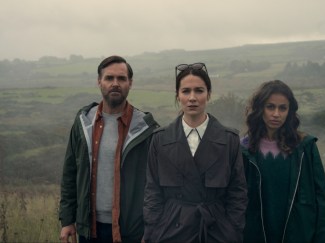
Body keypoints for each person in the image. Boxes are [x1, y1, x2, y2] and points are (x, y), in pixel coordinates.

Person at [143, 62, 248, 243]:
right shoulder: (160, 139)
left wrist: (232, 229)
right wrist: (153, 230)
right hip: (171, 231)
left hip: (216, 231)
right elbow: (152, 190)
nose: (192, 98)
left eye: (199, 90)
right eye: (186, 91)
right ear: (178, 95)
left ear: (209, 94)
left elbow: (237, 191)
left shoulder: (229, 139)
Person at [59, 55, 159, 243]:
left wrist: (151, 228)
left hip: (131, 231)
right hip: (89, 229)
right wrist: (67, 220)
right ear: (99, 82)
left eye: (121, 78)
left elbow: (155, 185)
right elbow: (70, 173)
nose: (115, 83)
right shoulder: (83, 122)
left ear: (130, 83)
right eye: (109, 78)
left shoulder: (146, 128)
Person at [241, 80, 325, 243]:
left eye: (282, 108)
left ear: (289, 111)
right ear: (260, 109)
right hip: (256, 235)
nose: (276, 114)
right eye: (270, 107)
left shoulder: (305, 147)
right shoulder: (244, 150)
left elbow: (322, 200)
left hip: (299, 235)